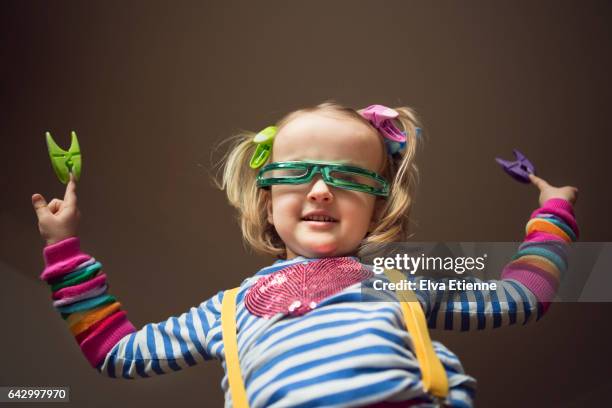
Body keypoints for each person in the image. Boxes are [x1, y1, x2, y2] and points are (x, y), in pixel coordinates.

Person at [31, 101, 579, 407]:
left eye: (345, 177)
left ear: (377, 207)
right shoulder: (227, 310)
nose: (319, 190)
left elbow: (525, 295)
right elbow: (117, 353)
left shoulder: (401, 277)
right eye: (296, 175)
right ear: (267, 203)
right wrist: (63, 250)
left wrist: (552, 213)